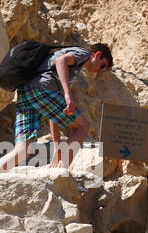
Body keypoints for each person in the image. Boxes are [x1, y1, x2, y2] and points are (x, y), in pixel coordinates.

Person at [0, 42, 112, 172]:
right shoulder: (84, 54)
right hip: (43, 89)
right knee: (83, 126)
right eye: (103, 65)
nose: (99, 70)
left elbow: (52, 114)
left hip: (26, 91)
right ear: (97, 55)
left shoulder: (70, 65)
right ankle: (61, 173)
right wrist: (68, 95)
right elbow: (61, 61)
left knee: (22, 149)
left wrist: (57, 146)